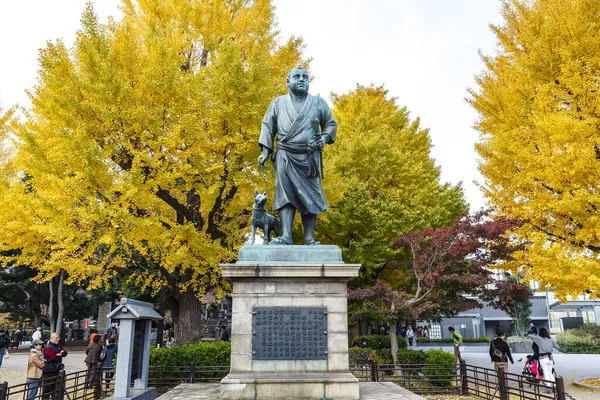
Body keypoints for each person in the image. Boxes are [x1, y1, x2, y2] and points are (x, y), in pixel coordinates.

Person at [258, 66, 338, 245]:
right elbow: (268, 126)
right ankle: (286, 235)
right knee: (285, 195)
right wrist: (265, 151)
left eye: (305, 77)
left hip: (310, 156)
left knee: (311, 195)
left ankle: (309, 238)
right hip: (285, 154)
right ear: (288, 82)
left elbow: (331, 124)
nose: (301, 79)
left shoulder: (318, 103)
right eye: (296, 76)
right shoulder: (278, 103)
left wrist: (323, 138)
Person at [529, 327, 557, 392]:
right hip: (550, 358)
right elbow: (557, 346)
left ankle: (548, 388)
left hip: (543, 358)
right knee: (550, 373)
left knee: (546, 373)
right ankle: (555, 386)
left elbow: (530, 336)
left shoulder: (539, 339)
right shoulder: (551, 339)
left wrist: (536, 335)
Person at [42, 332, 68, 400]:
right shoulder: (48, 347)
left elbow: (65, 352)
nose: (58, 339)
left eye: (58, 338)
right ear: (51, 338)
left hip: (56, 369)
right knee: (47, 389)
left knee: (56, 388)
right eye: (56, 338)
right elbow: (53, 357)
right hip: (49, 370)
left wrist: (60, 354)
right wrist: (59, 354)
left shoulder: (57, 345)